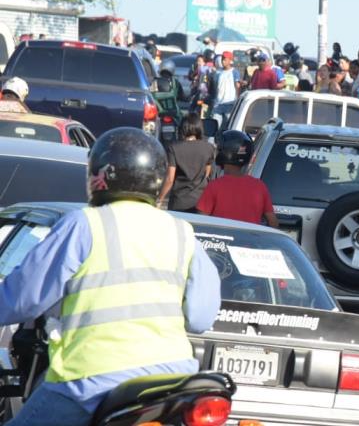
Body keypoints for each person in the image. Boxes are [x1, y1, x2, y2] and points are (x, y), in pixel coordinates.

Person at [0, 128, 220, 425]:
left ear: (98, 175)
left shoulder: (84, 224)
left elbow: (24, 298)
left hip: (90, 383)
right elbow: (201, 317)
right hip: (171, 383)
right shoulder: (182, 233)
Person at [196, 130, 279, 228]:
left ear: (223, 153)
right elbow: (273, 223)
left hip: (222, 242)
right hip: (250, 242)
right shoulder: (259, 186)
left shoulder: (214, 186)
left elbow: (200, 221)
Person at [157, 114, 216, 212]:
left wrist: (160, 199)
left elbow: (170, 179)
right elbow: (207, 174)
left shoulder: (174, 148)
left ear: (182, 129)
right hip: (201, 202)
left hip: (179, 202)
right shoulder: (209, 148)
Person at [210, 51, 242, 125]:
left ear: (230, 60)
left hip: (230, 103)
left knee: (229, 124)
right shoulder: (218, 72)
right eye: (222, 59)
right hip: (218, 104)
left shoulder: (234, 72)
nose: (223, 61)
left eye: (225, 59)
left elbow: (237, 86)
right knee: (215, 124)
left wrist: (237, 100)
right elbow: (215, 86)